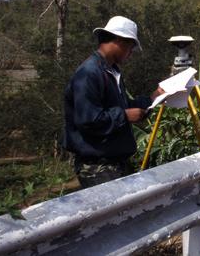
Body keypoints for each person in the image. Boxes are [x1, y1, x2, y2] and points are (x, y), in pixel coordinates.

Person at [62, 16, 164, 188]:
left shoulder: (111, 71)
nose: (130, 53)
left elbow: (121, 107)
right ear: (118, 41)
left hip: (115, 163)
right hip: (98, 167)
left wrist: (152, 99)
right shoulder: (89, 73)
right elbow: (89, 119)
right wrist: (124, 116)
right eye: (131, 48)